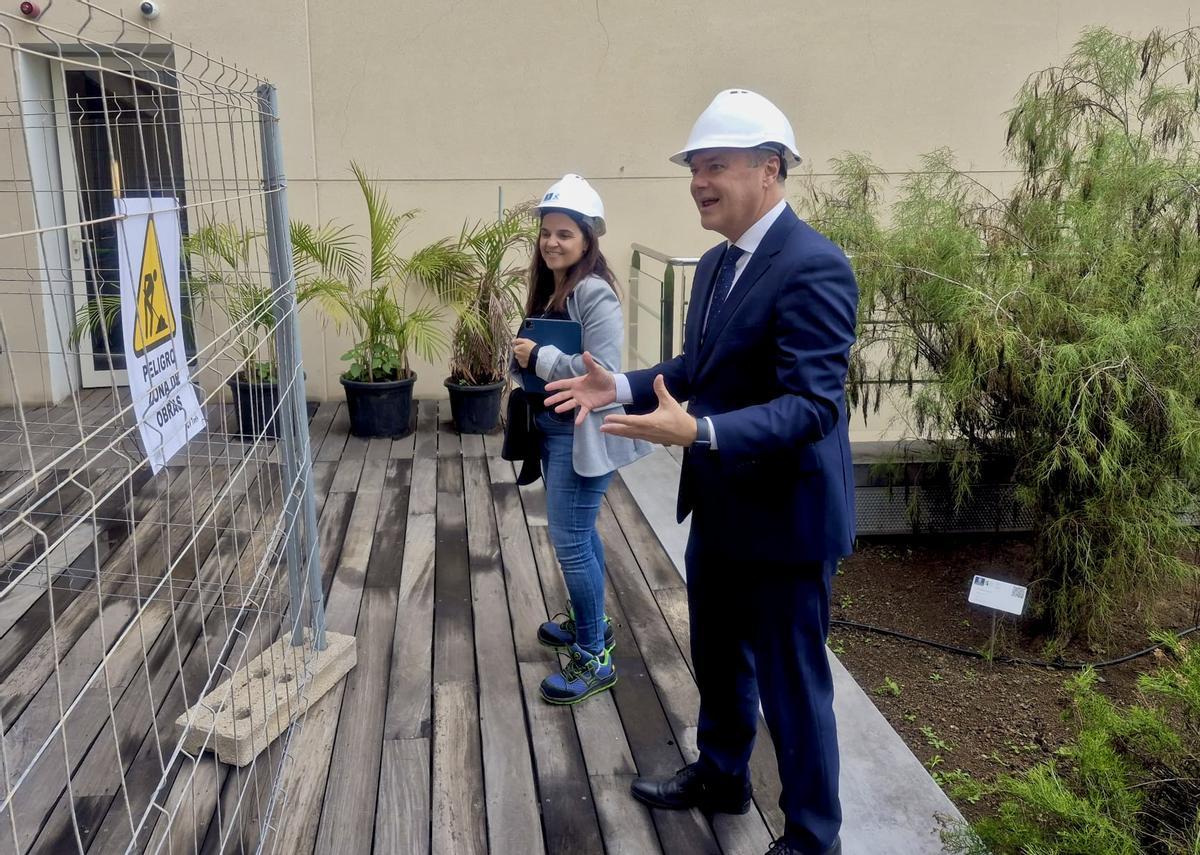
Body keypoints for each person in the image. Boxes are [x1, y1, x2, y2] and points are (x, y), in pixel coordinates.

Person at [544, 91, 857, 855]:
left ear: (770, 169)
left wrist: (701, 430)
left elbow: (813, 406)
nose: (698, 182)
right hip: (720, 506)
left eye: (714, 165)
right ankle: (722, 774)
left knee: (792, 686)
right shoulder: (717, 263)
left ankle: (813, 837)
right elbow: (698, 366)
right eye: (694, 167)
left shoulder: (815, 265)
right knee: (718, 658)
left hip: (787, 519)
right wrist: (618, 385)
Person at [511, 173, 651, 706]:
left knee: (570, 541)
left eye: (564, 233)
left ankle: (594, 656)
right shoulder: (554, 286)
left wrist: (539, 357)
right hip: (555, 428)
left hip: (582, 434)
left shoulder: (593, 291)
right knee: (578, 533)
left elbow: (604, 374)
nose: (551, 242)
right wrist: (523, 359)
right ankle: (591, 623)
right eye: (546, 232)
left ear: (588, 238)